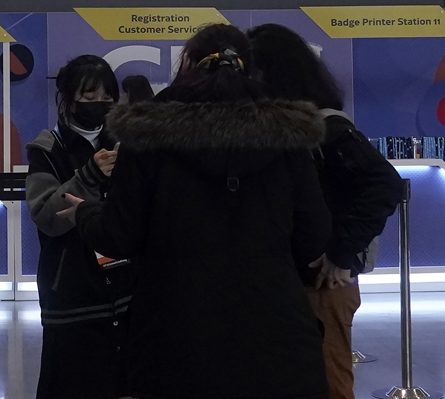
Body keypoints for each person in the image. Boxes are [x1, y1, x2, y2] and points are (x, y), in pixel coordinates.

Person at [68, 24, 332, 399]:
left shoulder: (148, 133)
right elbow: (313, 238)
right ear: (249, 67)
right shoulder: (287, 135)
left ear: (188, 62)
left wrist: (85, 213)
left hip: (174, 334)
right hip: (276, 335)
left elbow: (119, 235)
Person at [248, 22, 402, 399]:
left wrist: (340, 252)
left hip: (322, 283)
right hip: (289, 281)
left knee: (329, 382)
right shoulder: (286, 130)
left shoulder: (327, 128)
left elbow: (384, 184)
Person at [24, 55, 132, 399]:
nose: (99, 106)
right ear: (69, 98)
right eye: (88, 99)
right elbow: (46, 215)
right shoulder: (47, 148)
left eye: (107, 98)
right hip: (70, 286)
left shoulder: (127, 142)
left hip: (128, 284)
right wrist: (88, 176)